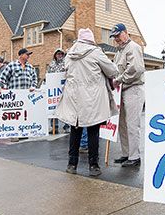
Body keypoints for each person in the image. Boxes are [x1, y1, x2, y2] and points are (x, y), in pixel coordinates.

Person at [55, 28, 118, 177]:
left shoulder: (69, 54)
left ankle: (72, 164)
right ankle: (93, 166)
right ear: (91, 40)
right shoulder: (96, 52)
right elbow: (112, 71)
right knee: (93, 132)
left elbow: (66, 71)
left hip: (74, 98)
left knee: (75, 131)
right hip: (92, 98)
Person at [110, 23, 145, 168]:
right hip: (121, 90)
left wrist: (118, 80)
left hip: (133, 89)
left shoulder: (133, 47)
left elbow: (135, 69)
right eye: (114, 37)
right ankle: (126, 154)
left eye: (118, 35)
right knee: (122, 124)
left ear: (125, 33)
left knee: (132, 124)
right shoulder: (119, 51)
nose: (116, 39)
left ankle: (135, 156)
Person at [46, 48, 69, 133]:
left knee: (66, 108)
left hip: (65, 88)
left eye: (61, 54)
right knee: (54, 107)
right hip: (55, 90)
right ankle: (54, 126)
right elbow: (48, 75)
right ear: (55, 55)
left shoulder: (66, 63)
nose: (60, 55)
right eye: (58, 54)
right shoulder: (52, 64)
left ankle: (67, 126)